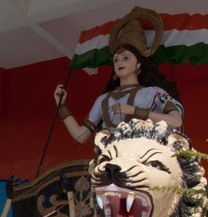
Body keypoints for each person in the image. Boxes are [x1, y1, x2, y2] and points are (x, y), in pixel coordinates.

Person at [53, 7, 183, 144]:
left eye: (126, 58)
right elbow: (81, 136)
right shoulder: (104, 100)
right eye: (116, 60)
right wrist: (61, 106)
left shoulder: (153, 93)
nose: (120, 62)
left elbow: (176, 120)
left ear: (138, 64)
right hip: (110, 156)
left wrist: (134, 111)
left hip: (143, 152)